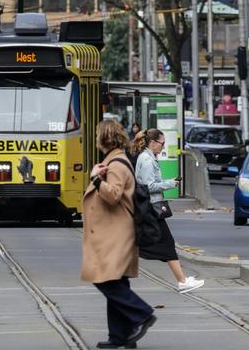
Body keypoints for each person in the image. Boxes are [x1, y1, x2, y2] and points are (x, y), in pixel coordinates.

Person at [82, 119, 156, 349]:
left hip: (115, 232)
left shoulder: (115, 165)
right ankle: (119, 336)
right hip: (113, 231)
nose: (95, 139)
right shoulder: (114, 160)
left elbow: (113, 195)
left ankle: (142, 313)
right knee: (117, 281)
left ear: (105, 137)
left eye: (97, 135)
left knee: (103, 279)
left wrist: (95, 178)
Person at [132, 128, 205, 293]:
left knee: (161, 244)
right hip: (151, 208)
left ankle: (183, 280)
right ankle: (182, 281)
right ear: (152, 142)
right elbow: (148, 186)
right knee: (165, 244)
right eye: (162, 143)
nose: (163, 147)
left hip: (150, 207)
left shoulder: (148, 158)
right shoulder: (147, 160)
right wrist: (170, 183)